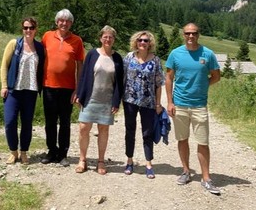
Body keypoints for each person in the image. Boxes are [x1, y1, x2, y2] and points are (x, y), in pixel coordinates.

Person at [165, 23, 221, 194]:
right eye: (188, 33)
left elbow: (216, 76)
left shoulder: (208, 54)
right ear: (184, 35)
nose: (191, 36)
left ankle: (206, 178)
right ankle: (186, 171)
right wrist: (169, 102)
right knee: (182, 139)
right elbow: (169, 77)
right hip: (180, 104)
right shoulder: (175, 54)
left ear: (199, 34)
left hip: (199, 106)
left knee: (203, 142)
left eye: (194, 33)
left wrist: (202, 86)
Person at [74, 25, 124, 174]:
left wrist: (116, 102)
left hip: (107, 100)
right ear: (100, 38)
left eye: (111, 37)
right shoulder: (92, 54)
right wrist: (79, 95)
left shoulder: (117, 58)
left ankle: (101, 161)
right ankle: (82, 159)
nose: (108, 39)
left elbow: (119, 83)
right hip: (90, 98)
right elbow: (84, 76)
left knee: (103, 129)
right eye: (105, 36)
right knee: (84, 128)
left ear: (114, 39)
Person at [41, 9, 84, 167]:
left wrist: (77, 89)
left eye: (67, 21)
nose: (64, 23)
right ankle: (51, 151)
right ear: (56, 22)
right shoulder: (46, 37)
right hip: (48, 86)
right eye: (61, 20)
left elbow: (80, 65)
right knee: (50, 121)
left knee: (65, 122)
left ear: (71, 23)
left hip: (68, 88)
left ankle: (63, 154)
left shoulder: (77, 41)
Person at [0, 17, 45, 165]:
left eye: (31, 28)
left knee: (27, 123)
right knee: (10, 121)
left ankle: (24, 152)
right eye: (25, 28)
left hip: (30, 91)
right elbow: (4, 66)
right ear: (22, 29)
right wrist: (4, 86)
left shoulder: (39, 48)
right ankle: (13, 151)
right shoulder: (14, 44)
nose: (28, 30)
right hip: (14, 90)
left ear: (35, 29)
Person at [123, 30, 164, 179]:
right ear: (135, 42)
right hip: (129, 101)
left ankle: (148, 163)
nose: (142, 43)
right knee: (130, 131)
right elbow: (122, 78)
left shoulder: (156, 60)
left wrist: (158, 104)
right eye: (140, 40)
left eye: (146, 40)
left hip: (148, 102)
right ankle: (129, 161)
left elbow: (159, 84)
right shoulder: (128, 58)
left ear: (150, 43)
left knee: (147, 133)